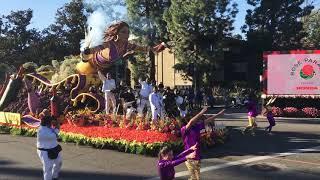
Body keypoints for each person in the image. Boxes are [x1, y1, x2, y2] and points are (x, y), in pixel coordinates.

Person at [78, 21, 166, 75]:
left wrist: (154, 49)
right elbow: (97, 48)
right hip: (92, 64)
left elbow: (143, 48)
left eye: (128, 32)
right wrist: (87, 51)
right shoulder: (109, 44)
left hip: (108, 68)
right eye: (124, 32)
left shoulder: (127, 45)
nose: (127, 35)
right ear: (116, 33)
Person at [181, 107, 225, 180]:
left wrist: (219, 114)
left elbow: (208, 120)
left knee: (197, 176)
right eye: (192, 118)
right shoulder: (184, 129)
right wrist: (201, 113)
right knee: (195, 177)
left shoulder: (197, 126)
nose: (196, 120)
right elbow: (191, 122)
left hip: (197, 154)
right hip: (189, 156)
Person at [37, 109, 62, 180]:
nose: (52, 123)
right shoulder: (42, 131)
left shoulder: (47, 127)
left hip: (54, 148)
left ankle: (54, 177)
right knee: (48, 168)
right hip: (44, 152)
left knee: (59, 163)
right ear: (47, 123)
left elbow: (45, 113)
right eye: (50, 122)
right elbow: (56, 133)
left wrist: (47, 113)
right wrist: (57, 124)